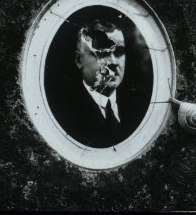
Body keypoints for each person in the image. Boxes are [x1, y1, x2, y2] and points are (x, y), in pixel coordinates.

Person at [55, 19, 136, 148]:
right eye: (102, 53)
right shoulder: (62, 120)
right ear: (79, 60)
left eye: (119, 52)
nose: (113, 63)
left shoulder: (139, 108)